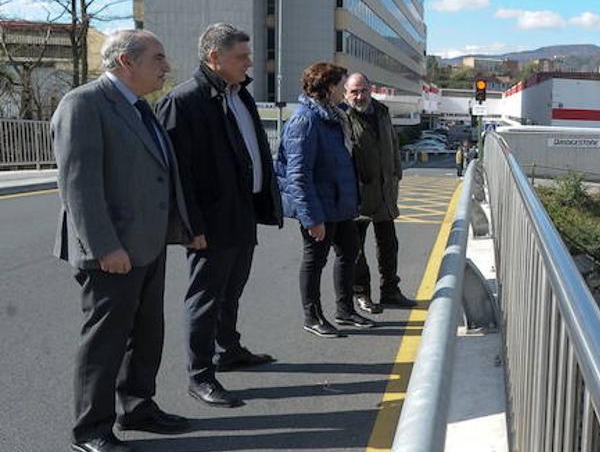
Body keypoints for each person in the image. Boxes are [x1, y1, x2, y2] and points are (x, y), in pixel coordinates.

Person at [52, 30, 192, 452]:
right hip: (112, 251)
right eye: (158, 57)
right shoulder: (84, 103)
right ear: (126, 62)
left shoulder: (139, 107)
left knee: (147, 331)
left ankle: (138, 406)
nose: (165, 67)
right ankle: (91, 427)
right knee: (106, 339)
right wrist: (103, 247)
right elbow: (79, 186)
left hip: (146, 245)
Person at [157, 23, 281, 410]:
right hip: (209, 222)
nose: (250, 64)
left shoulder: (238, 95)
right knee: (205, 298)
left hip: (241, 213)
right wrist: (189, 226)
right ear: (214, 57)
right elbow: (175, 173)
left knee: (233, 289)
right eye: (241, 57)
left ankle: (229, 349)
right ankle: (200, 375)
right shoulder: (185, 100)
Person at [275, 62, 373, 337]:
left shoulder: (333, 116)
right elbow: (298, 175)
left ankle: (345, 310)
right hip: (320, 207)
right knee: (314, 261)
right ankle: (313, 316)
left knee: (349, 253)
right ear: (329, 88)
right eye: (342, 85)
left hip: (339, 204)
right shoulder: (305, 120)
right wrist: (311, 218)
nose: (345, 91)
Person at [342, 72, 416, 313]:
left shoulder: (382, 112)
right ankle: (362, 293)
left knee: (388, 245)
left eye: (363, 90)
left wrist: (396, 173)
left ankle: (390, 291)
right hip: (359, 195)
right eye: (354, 91)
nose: (359, 96)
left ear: (370, 90)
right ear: (346, 93)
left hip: (385, 190)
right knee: (356, 250)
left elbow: (393, 144)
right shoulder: (343, 116)